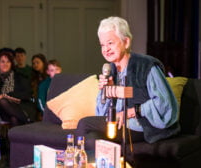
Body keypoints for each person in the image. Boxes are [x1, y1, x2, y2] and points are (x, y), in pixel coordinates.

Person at [77, 16, 180, 144]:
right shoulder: (111, 71)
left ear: (126, 42)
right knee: (93, 136)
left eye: (110, 43)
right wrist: (107, 92)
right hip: (119, 125)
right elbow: (100, 115)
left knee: (85, 124)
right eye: (102, 45)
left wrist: (131, 112)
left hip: (145, 127)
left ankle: (77, 161)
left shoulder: (146, 65)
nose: (106, 49)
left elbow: (165, 104)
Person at [0, 51, 36, 126]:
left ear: (11, 64)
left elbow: (27, 94)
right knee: (2, 101)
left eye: (8, 62)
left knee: (14, 118)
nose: (5, 64)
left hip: (20, 107)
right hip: (0, 110)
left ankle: (15, 137)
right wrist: (0, 103)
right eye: (2, 62)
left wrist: (6, 95)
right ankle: (27, 121)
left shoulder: (19, 77)